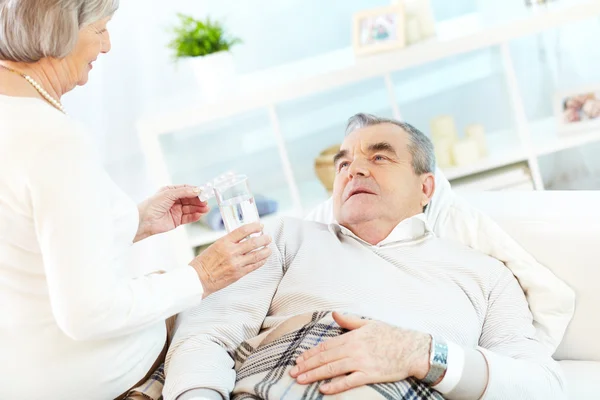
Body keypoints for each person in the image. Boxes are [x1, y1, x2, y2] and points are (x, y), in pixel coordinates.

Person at [163, 114, 566, 400]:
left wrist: (420, 353)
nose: (354, 169)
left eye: (379, 157)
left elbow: (541, 385)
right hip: (277, 378)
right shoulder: (282, 236)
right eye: (344, 163)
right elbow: (205, 337)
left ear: (427, 188)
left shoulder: (486, 274)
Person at [0, 1, 271, 399]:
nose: (106, 46)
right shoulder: (54, 140)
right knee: (207, 302)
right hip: (81, 376)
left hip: (18, 369)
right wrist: (203, 275)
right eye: (100, 30)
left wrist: (135, 220)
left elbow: (26, 244)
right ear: (59, 30)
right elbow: (88, 314)